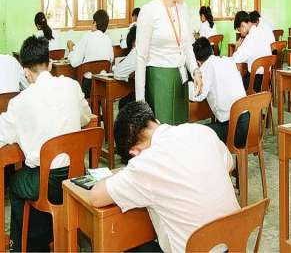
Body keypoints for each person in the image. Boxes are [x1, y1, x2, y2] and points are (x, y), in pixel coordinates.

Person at [88, 101, 240, 253]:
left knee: (128, 241)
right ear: (155, 121)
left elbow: (96, 197)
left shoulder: (145, 164)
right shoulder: (201, 131)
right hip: (237, 245)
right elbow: (230, 165)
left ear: (134, 152)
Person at [0, 36, 91, 252]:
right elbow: (86, 117)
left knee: (16, 183)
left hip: (47, 183)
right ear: (50, 64)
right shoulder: (72, 86)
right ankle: (56, 234)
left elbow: (2, 135)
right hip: (77, 175)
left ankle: (22, 246)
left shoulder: (19, 102)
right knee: (33, 178)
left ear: (25, 71)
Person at [135, 0, 198, 125]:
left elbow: (186, 46)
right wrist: (140, 100)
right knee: (162, 132)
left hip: (180, 78)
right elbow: (141, 57)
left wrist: (195, 71)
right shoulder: (150, 10)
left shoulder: (183, 9)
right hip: (159, 79)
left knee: (180, 130)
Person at [190, 38, 248, 144]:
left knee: (195, 134)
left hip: (234, 130)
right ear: (212, 51)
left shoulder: (205, 68)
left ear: (197, 62)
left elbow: (198, 95)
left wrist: (186, 85)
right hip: (249, 124)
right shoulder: (228, 60)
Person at [66, 9, 114, 97]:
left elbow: (74, 62)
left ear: (95, 23)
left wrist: (71, 49)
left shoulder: (87, 36)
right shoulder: (108, 39)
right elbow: (111, 60)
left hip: (88, 86)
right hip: (103, 85)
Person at [231, 11, 272, 93]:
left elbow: (235, 59)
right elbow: (251, 54)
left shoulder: (250, 37)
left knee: (233, 85)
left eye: (239, 30)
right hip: (266, 79)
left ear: (243, 24)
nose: (241, 33)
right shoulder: (260, 31)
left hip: (255, 82)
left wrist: (236, 48)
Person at [113, 25, 138, 109]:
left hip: (142, 97)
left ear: (133, 41)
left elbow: (118, 73)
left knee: (124, 101)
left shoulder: (137, 51)